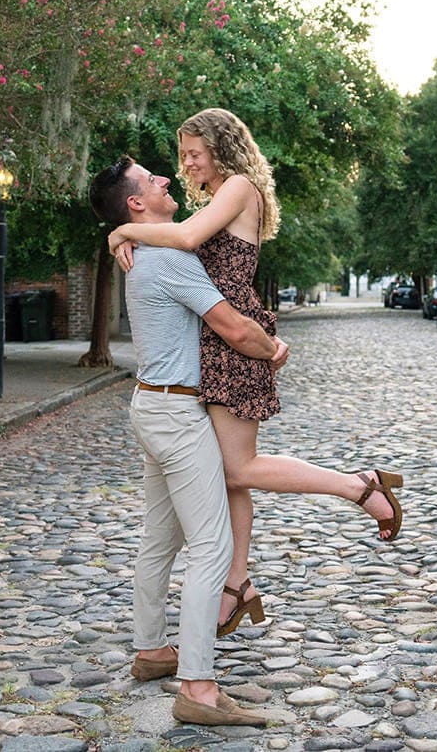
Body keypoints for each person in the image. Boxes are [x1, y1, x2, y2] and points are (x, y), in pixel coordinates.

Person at [107, 108, 403, 636]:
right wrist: (133, 235)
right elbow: (175, 237)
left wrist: (122, 229)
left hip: (233, 339)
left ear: (222, 147)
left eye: (194, 153)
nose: (185, 164)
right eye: (183, 155)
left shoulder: (239, 187)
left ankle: (359, 486)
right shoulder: (222, 194)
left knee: (237, 468)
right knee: (227, 473)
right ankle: (236, 584)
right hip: (216, 343)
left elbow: (186, 238)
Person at [89, 155, 285, 726]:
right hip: (176, 414)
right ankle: (198, 689)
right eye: (153, 179)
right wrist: (272, 350)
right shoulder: (170, 258)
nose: (167, 179)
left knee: (159, 539)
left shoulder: (142, 251)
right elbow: (232, 327)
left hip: (151, 405)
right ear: (136, 203)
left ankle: (152, 651)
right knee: (212, 548)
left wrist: (118, 234)